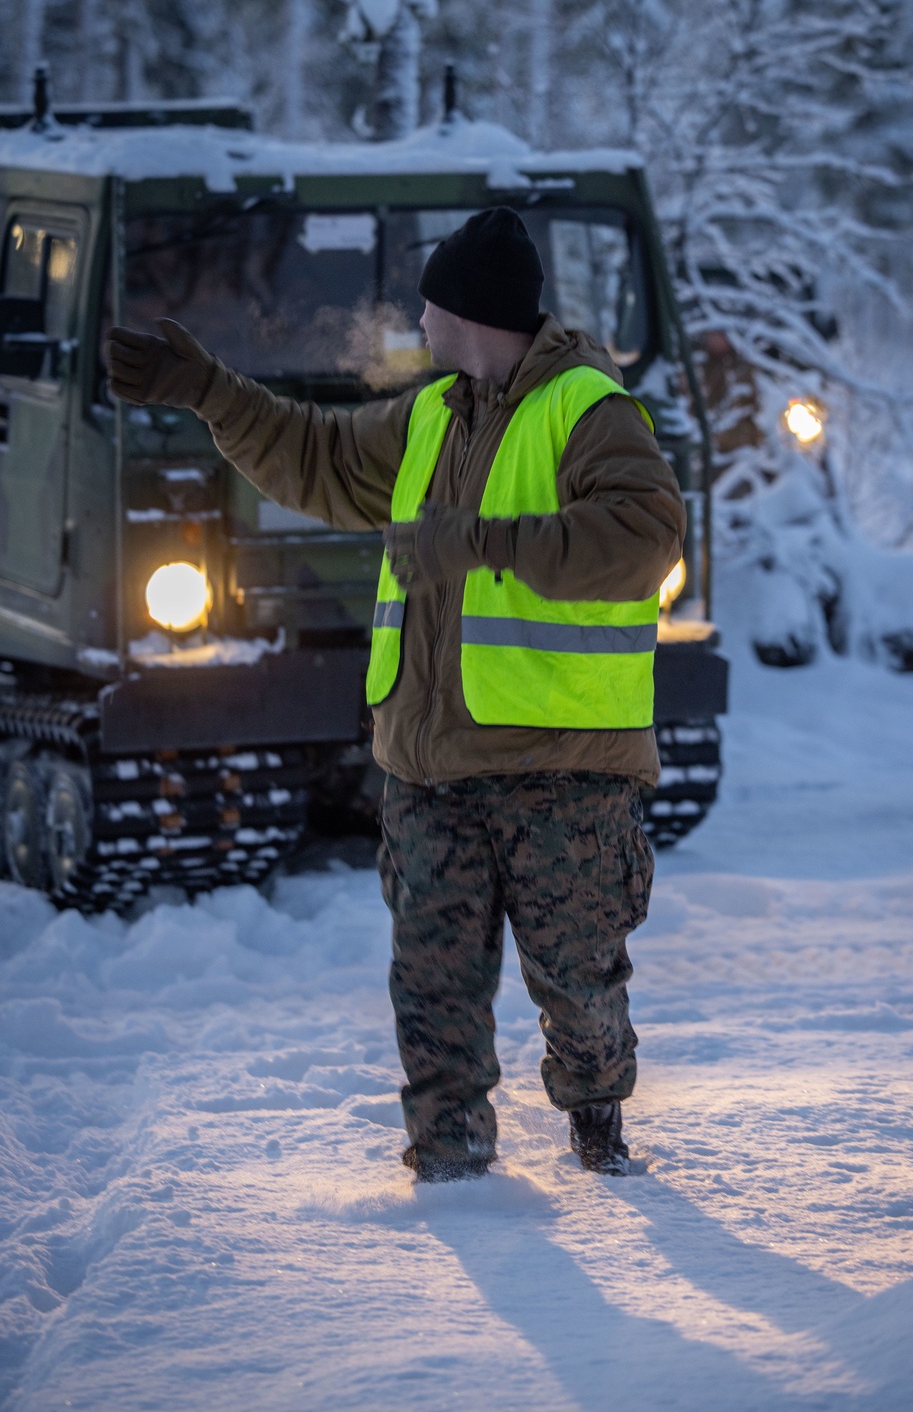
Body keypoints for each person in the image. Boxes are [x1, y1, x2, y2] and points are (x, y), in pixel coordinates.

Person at [106, 207, 686, 1183]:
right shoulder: (429, 413)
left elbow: (644, 538)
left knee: (579, 986)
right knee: (432, 984)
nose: (416, 319)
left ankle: (596, 1116)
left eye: (429, 302)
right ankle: (450, 1157)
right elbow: (318, 457)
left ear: (471, 311)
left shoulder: (591, 409)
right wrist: (207, 388)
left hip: (563, 770)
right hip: (428, 770)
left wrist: (486, 541)